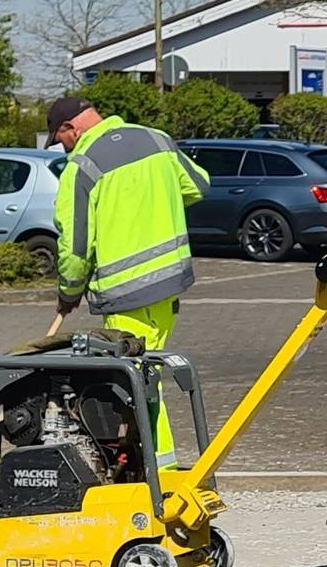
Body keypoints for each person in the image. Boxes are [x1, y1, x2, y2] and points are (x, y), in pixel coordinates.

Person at [48, 96, 210, 470]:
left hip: (126, 295)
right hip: (169, 285)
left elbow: (75, 247)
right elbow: (198, 185)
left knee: (135, 384)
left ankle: (157, 472)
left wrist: (69, 292)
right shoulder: (156, 139)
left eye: (61, 139)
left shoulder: (82, 166)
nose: (64, 147)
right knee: (147, 376)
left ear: (72, 128)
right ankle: (149, 466)